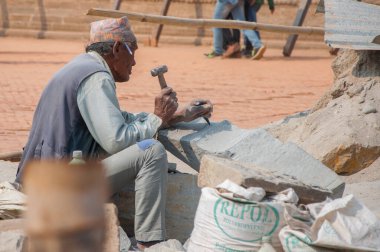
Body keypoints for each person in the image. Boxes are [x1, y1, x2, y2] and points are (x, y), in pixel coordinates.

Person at [15, 16, 213, 250]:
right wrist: (157, 118)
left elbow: (118, 119)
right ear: (118, 48)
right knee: (151, 151)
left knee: (141, 147)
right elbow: (117, 141)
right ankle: (150, 242)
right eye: (134, 51)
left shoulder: (82, 67)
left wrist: (175, 116)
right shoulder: (96, 78)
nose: (135, 62)